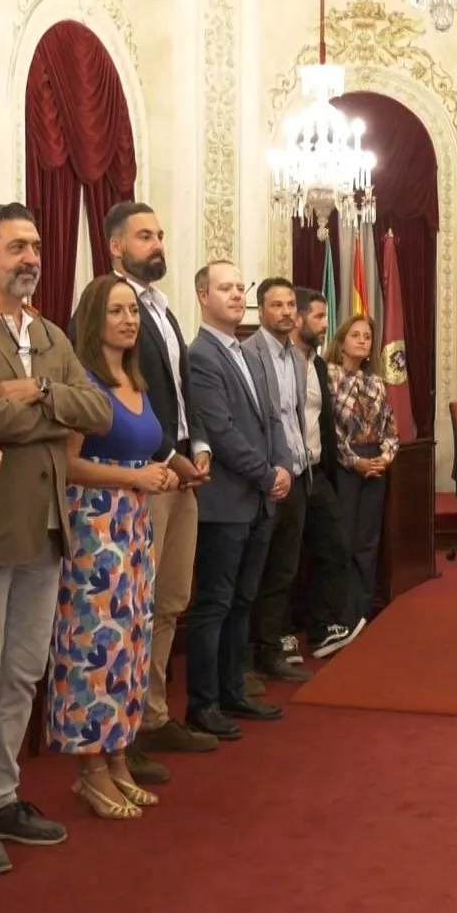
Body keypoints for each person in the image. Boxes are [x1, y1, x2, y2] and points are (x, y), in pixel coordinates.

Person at [0, 203, 112, 876]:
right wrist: (47, 404)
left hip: (49, 524)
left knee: (23, 670)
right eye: (16, 247)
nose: (30, 257)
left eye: (35, 246)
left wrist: (37, 390)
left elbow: (98, 408)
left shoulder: (49, 330)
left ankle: (2, 795)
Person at [55, 274, 175, 818]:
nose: (129, 320)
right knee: (93, 650)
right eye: (117, 312)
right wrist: (132, 478)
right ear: (93, 320)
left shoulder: (136, 377)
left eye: (134, 312)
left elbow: (142, 456)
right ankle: (91, 770)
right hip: (94, 527)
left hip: (133, 523)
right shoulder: (83, 379)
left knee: (131, 644)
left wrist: (160, 475)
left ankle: (119, 756)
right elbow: (69, 464)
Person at [108, 201, 218, 767]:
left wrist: (197, 446)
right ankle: (125, 729)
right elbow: (127, 393)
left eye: (160, 234)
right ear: (116, 247)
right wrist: (171, 457)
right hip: (145, 477)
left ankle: (153, 715)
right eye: (144, 236)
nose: (157, 245)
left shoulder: (165, 309)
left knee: (172, 600)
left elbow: (180, 390)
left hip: (181, 473)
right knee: (138, 604)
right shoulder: (113, 306)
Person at [184, 260, 292, 741]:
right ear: (203, 296)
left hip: (259, 498)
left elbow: (270, 419)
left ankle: (233, 689)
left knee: (243, 600)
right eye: (224, 288)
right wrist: (267, 473)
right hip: (226, 500)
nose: (235, 295)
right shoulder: (201, 354)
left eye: (239, 287)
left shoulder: (246, 351)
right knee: (215, 603)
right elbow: (220, 431)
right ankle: (203, 703)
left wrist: (283, 466)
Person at [242, 277, 317, 684]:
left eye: (291, 305)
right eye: (277, 305)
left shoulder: (298, 358)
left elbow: (296, 418)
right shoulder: (250, 353)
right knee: (255, 570)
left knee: (284, 571)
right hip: (266, 479)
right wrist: (272, 471)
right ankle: (244, 657)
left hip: (299, 475)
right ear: (261, 310)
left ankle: (271, 650)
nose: (287, 312)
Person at [289, 288, 367, 660]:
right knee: (284, 562)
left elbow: (322, 423)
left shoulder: (317, 365)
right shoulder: (282, 361)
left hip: (317, 472)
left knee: (334, 547)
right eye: (319, 317)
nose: (325, 325)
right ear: (299, 318)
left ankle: (322, 629)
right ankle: (278, 640)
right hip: (286, 473)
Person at [328, 313, 400, 625]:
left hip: (375, 465)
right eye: (355, 335)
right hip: (345, 464)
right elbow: (328, 428)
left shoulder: (376, 383)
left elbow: (391, 430)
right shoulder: (329, 376)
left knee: (367, 541)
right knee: (343, 539)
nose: (362, 340)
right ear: (341, 341)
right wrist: (353, 461)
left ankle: (362, 610)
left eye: (367, 337)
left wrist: (384, 457)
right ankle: (340, 613)